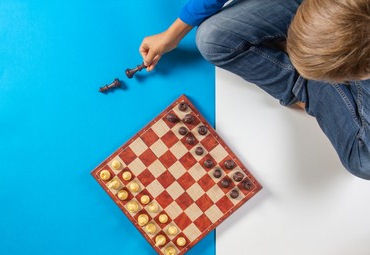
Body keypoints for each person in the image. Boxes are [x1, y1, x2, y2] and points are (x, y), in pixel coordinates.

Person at [139, 0, 370, 180]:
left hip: (356, 40)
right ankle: (310, 84)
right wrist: (172, 35)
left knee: (363, 162)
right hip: (327, 11)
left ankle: (315, 86)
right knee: (212, 38)